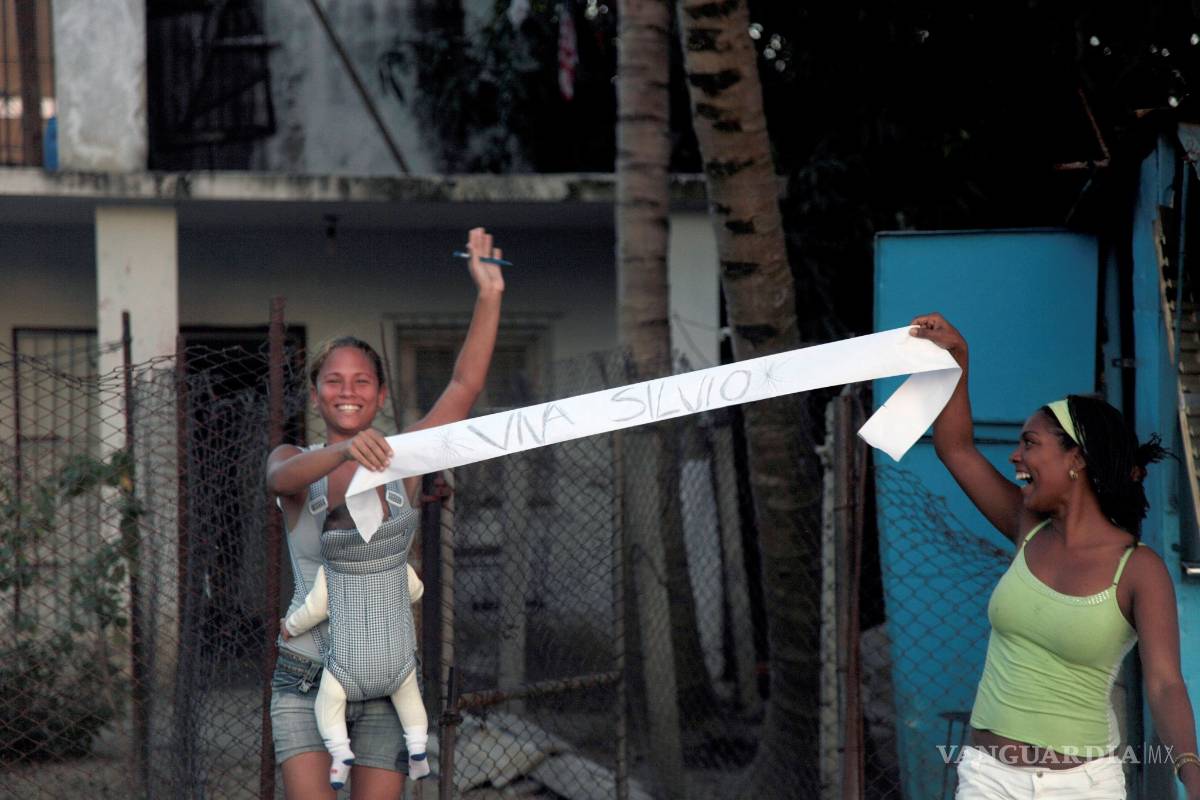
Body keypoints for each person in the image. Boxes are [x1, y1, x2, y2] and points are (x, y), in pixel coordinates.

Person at [911, 312, 1200, 800]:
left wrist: (1191, 775)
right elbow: (955, 449)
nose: (1015, 457)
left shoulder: (1139, 569)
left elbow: (1166, 685)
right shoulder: (1028, 530)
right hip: (987, 778)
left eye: (1030, 443)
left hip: (1085, 786)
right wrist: (958, 360)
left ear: (1077, 459)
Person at [266, 227, 505, 800]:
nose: (348, 392)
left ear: (378, 395)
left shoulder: (406, 460)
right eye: (334, 382)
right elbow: (279, 479)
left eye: (362, 382)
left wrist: (490, 293)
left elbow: (464, 385)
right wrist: (343, 451)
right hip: (305, 679)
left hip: (389, 679)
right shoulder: (295, 459)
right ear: (317, 394)